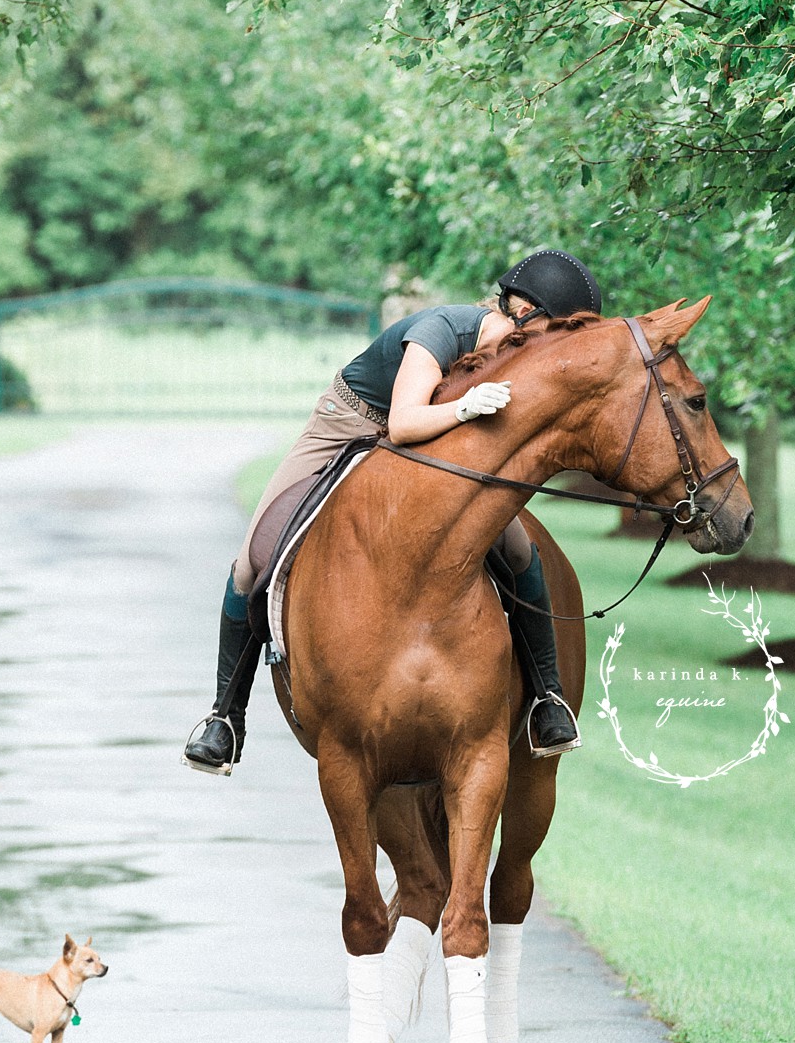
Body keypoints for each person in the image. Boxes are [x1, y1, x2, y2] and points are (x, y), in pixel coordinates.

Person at [183, 250, 603, 776]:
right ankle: (225, 717)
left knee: (518, 548)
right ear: (523, 311)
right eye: (560, 329)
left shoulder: (515, 357)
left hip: (432, 444)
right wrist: (465, 409)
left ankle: (547, 698)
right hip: (349, 425)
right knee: (252, 560)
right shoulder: (439, 329)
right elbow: (403, 423)